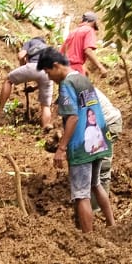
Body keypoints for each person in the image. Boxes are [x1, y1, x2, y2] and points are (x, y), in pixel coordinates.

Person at [36, 47, 115, 233]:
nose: (48, 78)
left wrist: (61, 148)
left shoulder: (66, 84)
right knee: (95, 185)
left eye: (48, 72)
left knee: (81, 194)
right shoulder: (81, 78)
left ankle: (88, 238)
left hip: (82, 146)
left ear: (56, 66)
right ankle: (112, 224)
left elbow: (73, 117)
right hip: (99, 141)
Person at [0, 36, 54, 129]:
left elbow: (21, 55)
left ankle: (0, 109)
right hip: (47, 71)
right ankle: (45, 128)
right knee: (45, 105)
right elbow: (43, 77)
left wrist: (22, 66)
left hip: (33, 66)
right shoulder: (47, 48)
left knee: (8, 80)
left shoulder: (31, 42)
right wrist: (35, 88)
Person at [61, 12, 108, 76]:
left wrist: (83, 67)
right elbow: (88, 51)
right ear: (93, 22)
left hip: (65, 70)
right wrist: (101, 67)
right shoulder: (89, 30)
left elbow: (62, 53)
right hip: (76, 70)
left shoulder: (72, 32)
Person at [95, 87, 122, 191]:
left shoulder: (80, 91)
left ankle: (99, 206)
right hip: (99, 126)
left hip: (108, 124)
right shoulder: (77, 86)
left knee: (102, 166)